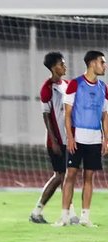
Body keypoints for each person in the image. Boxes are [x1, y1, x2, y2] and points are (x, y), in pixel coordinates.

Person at [55, 50, 108, 227]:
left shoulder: (103, 88)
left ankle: (85, 217)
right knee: (70, 176)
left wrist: (105, 139)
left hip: (94, 139)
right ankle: (64, 216)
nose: (105, 66)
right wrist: (70, 137)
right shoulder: (75, 84)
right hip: (77, 137)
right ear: (92, 63)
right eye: (103, 62)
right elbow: (67, 114)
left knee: (89, 177)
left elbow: (105, 116)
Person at [29, 52, 78, 224]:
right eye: (61, 64)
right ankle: (38, 212)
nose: (65, 66)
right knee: (61, 176)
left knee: (67, 176)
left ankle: (69, 215)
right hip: (56, 141)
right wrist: (54, 140)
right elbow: (46, 116)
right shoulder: (47, 88)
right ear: (53, 67)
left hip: (69, 139)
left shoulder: (68, 85)